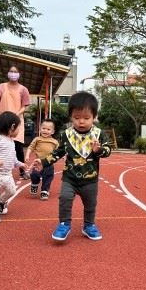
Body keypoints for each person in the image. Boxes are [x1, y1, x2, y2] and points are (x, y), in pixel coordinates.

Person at [38, 91, 111, 242]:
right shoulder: (66, 134)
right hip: (69, 178)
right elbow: (58, 152)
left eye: (86, 118)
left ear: (94, 117)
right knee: (64, 198)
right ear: (71, 116)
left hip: (90, 179)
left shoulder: (98, 134)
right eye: (77, 118)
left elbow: (108, 150)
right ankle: (64, 224)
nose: (81, 122)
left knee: (90, 203)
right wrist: (43, 162)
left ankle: (88, 225)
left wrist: (99, 150)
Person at [0, 111, 27, 224]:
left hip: (7, 174)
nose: (19, 130)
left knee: (12, 191)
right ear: (12, 127)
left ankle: (1, 202)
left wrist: (20, 164)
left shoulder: (12, 142)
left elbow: (13, 159)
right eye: (18, 127)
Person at [0, 66, 31, 180]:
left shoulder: (23, 89)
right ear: (7, 73)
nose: (13, 73)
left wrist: (16, 114)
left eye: (15, 72)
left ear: (19, 74)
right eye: (11, 71)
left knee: (18, 147)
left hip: (17, 121)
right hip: (2, 120)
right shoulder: (0, 87)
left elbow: (25, 106)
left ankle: (23, 171)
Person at [25, 118, 59, 200]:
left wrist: (65, 157)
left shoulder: (54, 142)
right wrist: (27, 155)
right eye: (43, 128)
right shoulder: (37, 139)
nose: (45, 131)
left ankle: (44, 191)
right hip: (38, 162)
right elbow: (30, 147)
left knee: (48, 177)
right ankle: (34, 184)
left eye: (48, 129)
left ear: (52, 131)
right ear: (40, 129)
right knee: (34, 175)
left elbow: (59, 152)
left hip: (49, 163)